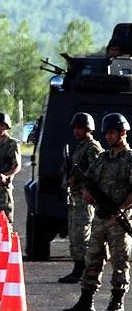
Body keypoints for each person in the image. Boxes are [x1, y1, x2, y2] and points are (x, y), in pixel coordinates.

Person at [62, 113, 132, 311]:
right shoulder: (102, 158)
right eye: (107, 133)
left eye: (112, 132)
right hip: (101, 217)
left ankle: (117, 304)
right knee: (93, 258)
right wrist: (88, 194)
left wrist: (122, 209)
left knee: (120, 261)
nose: (109, 137)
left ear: (123, 133)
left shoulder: (129, 159)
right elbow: (87, 180)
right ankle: (86, 302)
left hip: (119, 220)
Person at [58, 112, 103, 284]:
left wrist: (78, 178)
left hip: (86, 197)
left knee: (82, 234)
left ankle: (83, 271)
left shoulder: (92, 147)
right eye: (75, 128)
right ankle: (77, 269)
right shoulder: (81, 146)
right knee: (75, 234)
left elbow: (96, 171)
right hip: (76, 196)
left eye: (80, 128)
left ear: (88, 129)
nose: (77, 131)